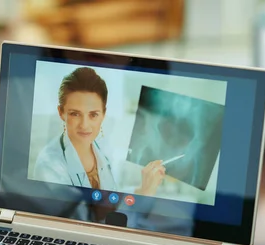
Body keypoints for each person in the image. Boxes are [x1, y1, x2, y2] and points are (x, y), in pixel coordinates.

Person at [33, 67, 166, 196]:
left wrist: (143, 190)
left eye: (93, 115)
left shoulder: (102, 149)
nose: (84, 125)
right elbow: (78, 216)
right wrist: (145, 196)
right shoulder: (49, 165)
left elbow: (110, 196)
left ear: (103, 114)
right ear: (61, 112)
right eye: (75, 114)